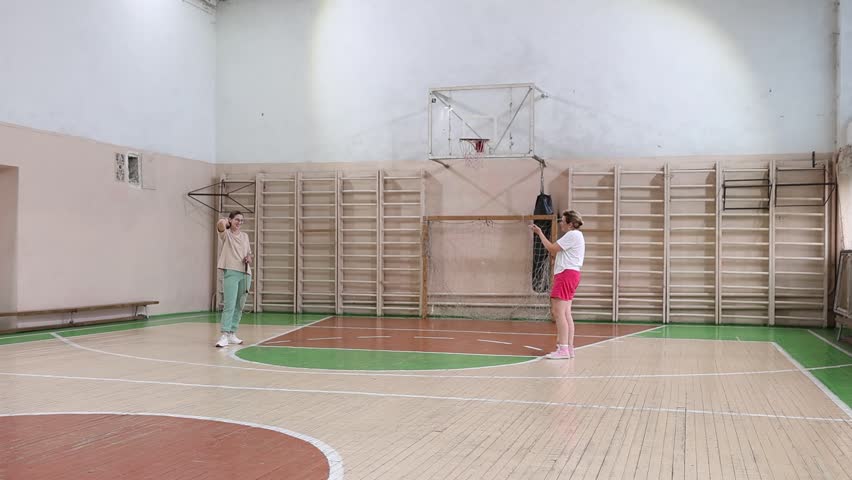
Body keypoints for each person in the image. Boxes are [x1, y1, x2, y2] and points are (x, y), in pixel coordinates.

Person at [529, 210, 585, 359]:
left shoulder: (572, 235)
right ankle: (569, 348)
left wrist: (540, 233)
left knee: (558, 313)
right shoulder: (577, 236)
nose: (561, 223)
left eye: (563, 221)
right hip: (572, 274)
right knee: (566, 313)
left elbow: (552, 249)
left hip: (566, 275)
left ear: (571, 223)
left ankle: (563, 349)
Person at [214, 211, 253, 347]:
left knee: (239, 305)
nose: (239, 223)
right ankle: (224, 335)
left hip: (245, 273)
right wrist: (225, 221)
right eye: (237, 220)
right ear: (231, 220)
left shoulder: (245, 236)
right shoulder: (226, 235)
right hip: (231, 271)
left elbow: (248, 252)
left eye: (242, 221)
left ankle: (232, 333)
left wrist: (249, 257)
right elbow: (220, 225)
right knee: (229, 304)